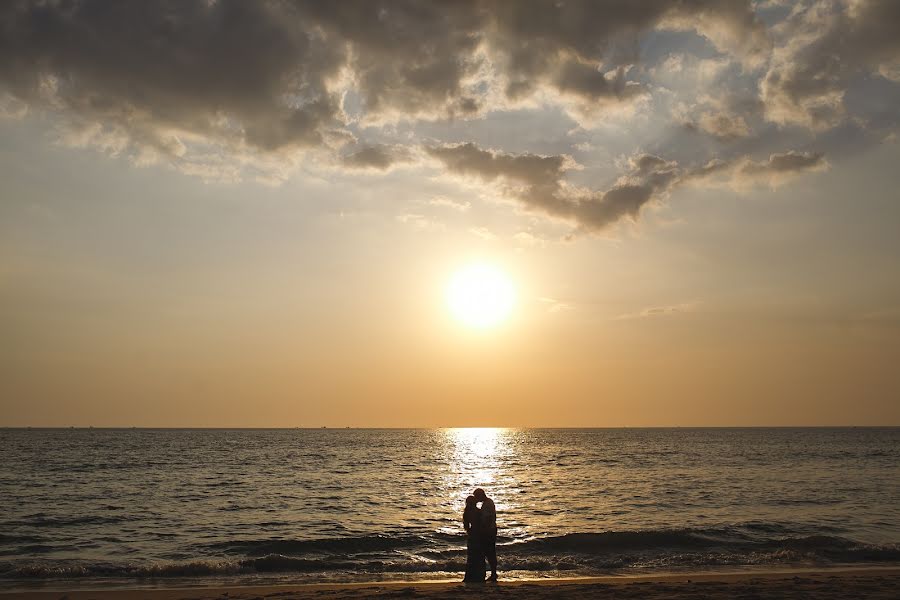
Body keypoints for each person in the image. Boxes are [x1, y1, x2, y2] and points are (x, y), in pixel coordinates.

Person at [473, 488, 497, 581]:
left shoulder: (487, 504)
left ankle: (493, 573)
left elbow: (487, 519)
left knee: (490, 552)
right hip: (491, 529)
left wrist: (483, 530)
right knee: (490, 552)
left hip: (489, 531)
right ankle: (493, 573)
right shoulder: (488, 502)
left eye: (476, 496)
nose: (476, 499)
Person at [462, 495, 486, 583]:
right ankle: (480, 576)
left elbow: (466, 526)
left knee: (471, 556)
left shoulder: (467, 512)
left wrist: (470, 532)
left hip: (472, 534)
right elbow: (483, 523)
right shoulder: (479, 512)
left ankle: (470, 576)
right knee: (480, 555)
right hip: (479, 534)